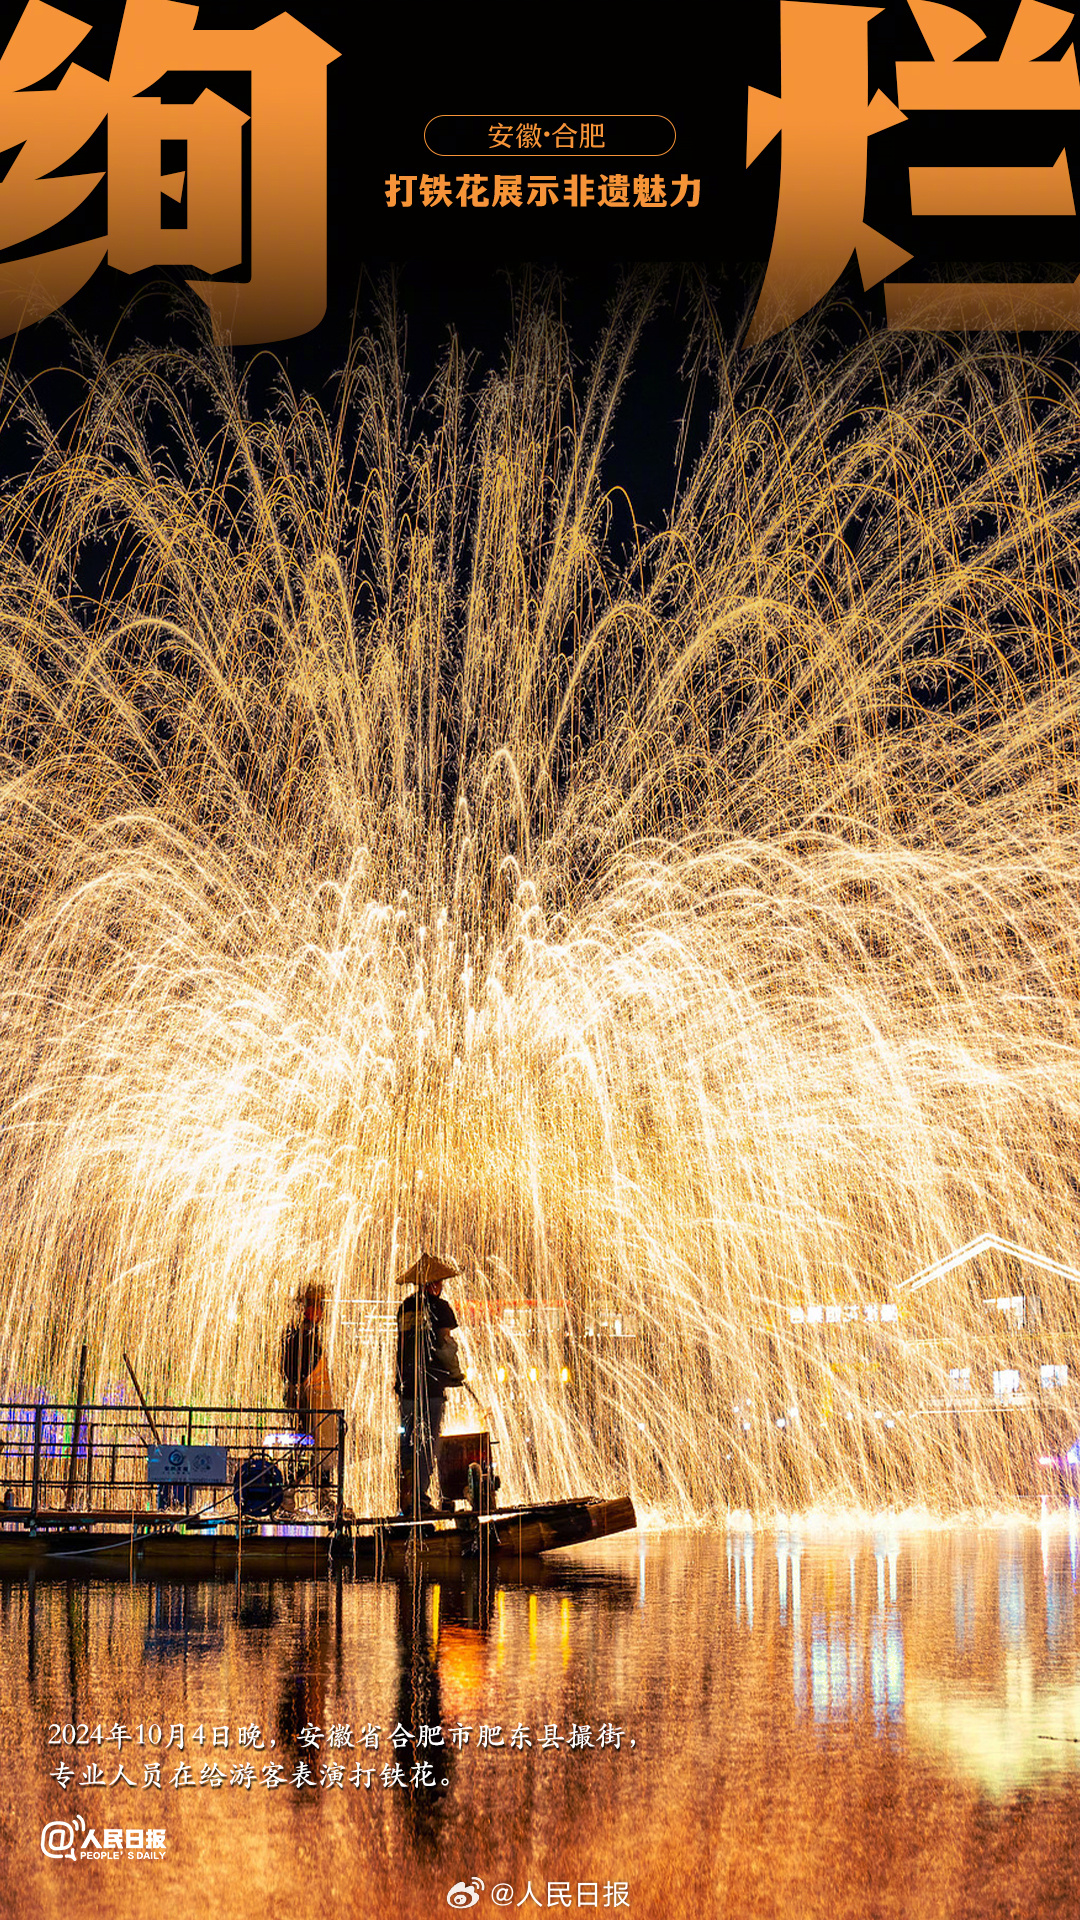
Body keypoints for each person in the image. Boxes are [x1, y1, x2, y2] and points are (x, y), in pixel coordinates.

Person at [395, 1252, 460, 1518]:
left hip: (407, 1388)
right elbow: (445, 1345)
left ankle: (405, 1497)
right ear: (432, 1284)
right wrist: (455, 1372)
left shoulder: (405, 1307)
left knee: (408, 1443)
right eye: (439, 1282)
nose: (441, 1286)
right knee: (427, 1445)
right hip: (431, 1387)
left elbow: (402, 1347)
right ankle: (419, 1500)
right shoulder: (440, 1308)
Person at [280, 1282, 337, 1492]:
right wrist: (303, 1387)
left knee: (312, 1447)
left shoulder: (305, 1332)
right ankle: (298, 1490)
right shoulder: (301, 1334)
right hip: (309, 1398)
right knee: (313, 1446)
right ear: (308, 1308)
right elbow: (292, 1369)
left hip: (313, 1398)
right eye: (318, 1306)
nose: (321, 1311)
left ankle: (304, 1490)